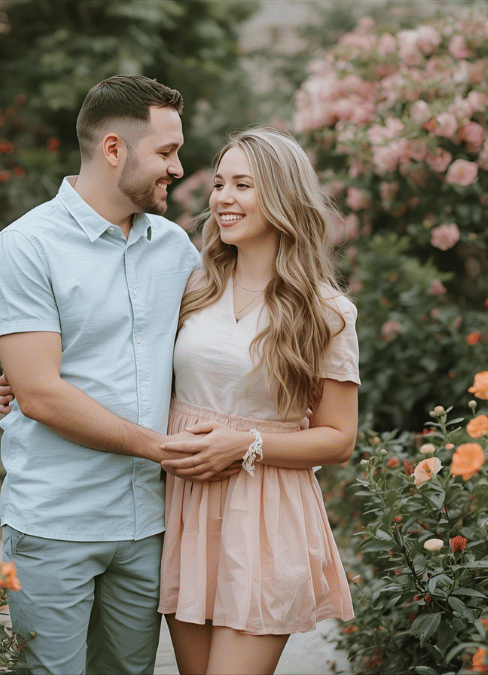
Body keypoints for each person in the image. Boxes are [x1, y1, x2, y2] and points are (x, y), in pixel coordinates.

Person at [0, 74, 226, 675]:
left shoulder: (175, 249)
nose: (177, 167)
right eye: (166, 152)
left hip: (148, 524)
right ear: (114, 148)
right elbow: (40, 393)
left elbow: (214, 350)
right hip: (57, 522)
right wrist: (156, 447)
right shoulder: (26, 247)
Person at [153, 127, 359, 675]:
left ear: (282, 195)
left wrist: (242, 444)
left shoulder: (326, 310)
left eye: (243, 184)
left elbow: (339, 438)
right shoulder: (193, 287)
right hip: (187, 508)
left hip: (266, 513)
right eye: (219, 184)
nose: (223, 198)